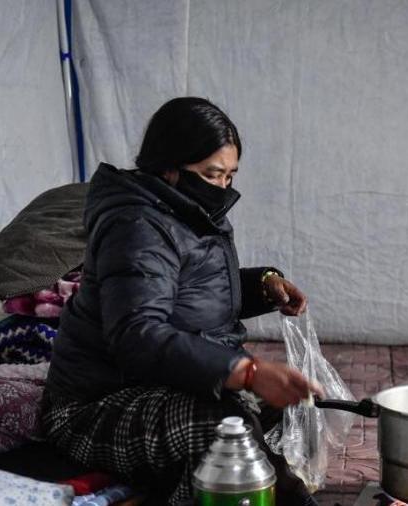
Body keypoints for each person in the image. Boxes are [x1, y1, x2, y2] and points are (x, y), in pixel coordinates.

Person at [42, 97, 323, 505]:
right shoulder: (135, 226)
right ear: (169, 168)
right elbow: (139, 335)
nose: (224, 189)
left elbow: (191, 297)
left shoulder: (188, 212)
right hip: (95, 404)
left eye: (230, 177)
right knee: (229, 430)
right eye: (213, 175)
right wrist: (246, 371)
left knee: (284, 405)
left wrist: (264, 285)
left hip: (156, 384)